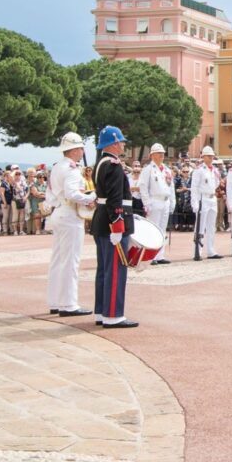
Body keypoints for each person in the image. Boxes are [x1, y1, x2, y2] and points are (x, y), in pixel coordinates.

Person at [91, 125, 138, 328]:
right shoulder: (113, 165)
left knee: (104, 269)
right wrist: (118, 226)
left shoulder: (100, 163)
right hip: (113, 223)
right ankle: (113, 315)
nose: (124, 144)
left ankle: (102, 311)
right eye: (121, 141)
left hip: (101, 221)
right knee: (116, 271)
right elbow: (115, 199)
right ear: (114, 143)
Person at [46, 132, 97, 316]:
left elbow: (50, 195)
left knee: (58, 259)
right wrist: (91, 197)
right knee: (70, 261)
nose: (83, 151)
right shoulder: (72, 169)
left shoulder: (58, 167)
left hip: (59, 211)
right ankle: (68, 304)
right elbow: (72, 193)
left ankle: (55, 300)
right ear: (74, 150)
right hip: (69, 214)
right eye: (81, 148)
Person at [138, 143, 175, 265]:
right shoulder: (148, 169)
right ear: (152, 155)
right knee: (153, 229)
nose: (162, 155)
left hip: (165, 201)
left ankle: (160, 255)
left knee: (162, 229)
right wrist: (146, 203)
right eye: (159, 153)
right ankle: (150, 256)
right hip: (154, 201)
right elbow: (143, 187)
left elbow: (171, 187)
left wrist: (172, 202)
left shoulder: (167, 170)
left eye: (163, 153)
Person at [191, 146, 223, 260]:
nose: (210, 158)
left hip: (212, 198)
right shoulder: (199, 170)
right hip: (202, 199)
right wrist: (194, 203)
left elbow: (216, 185)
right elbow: (194, 188)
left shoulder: (214, 170)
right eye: (208, 156)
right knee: (200, 225)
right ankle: (197, 251)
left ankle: (211, 250)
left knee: (211, 226)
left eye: (212, 156)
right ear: (203, 157)